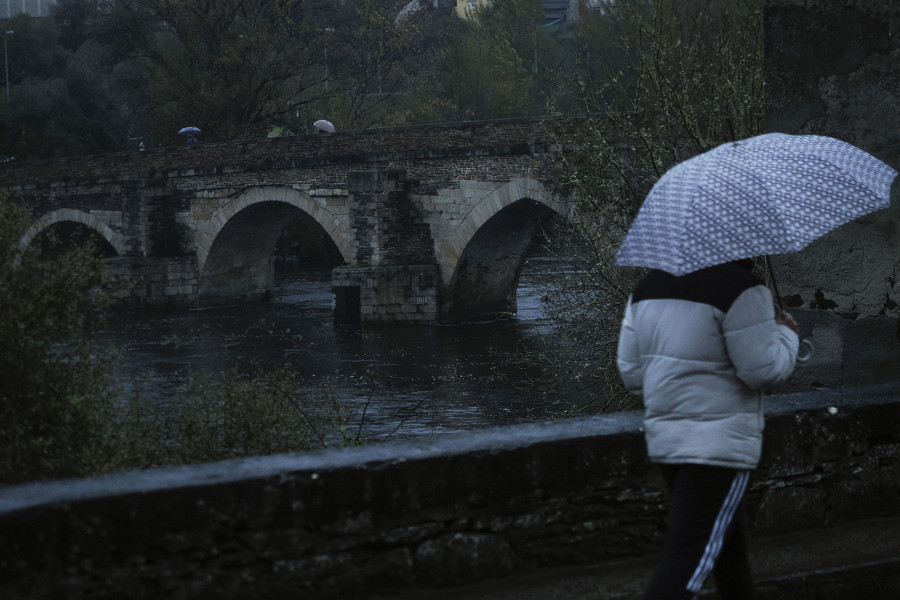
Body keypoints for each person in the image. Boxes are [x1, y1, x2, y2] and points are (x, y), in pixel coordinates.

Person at [616, 258, 799, 600]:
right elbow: (762, 371)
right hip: (718, 447)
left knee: (728, 550)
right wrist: (786, 334)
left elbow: (632, 374)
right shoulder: (743, 289)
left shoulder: (646, 289)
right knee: (688, 559)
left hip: (667, 442)